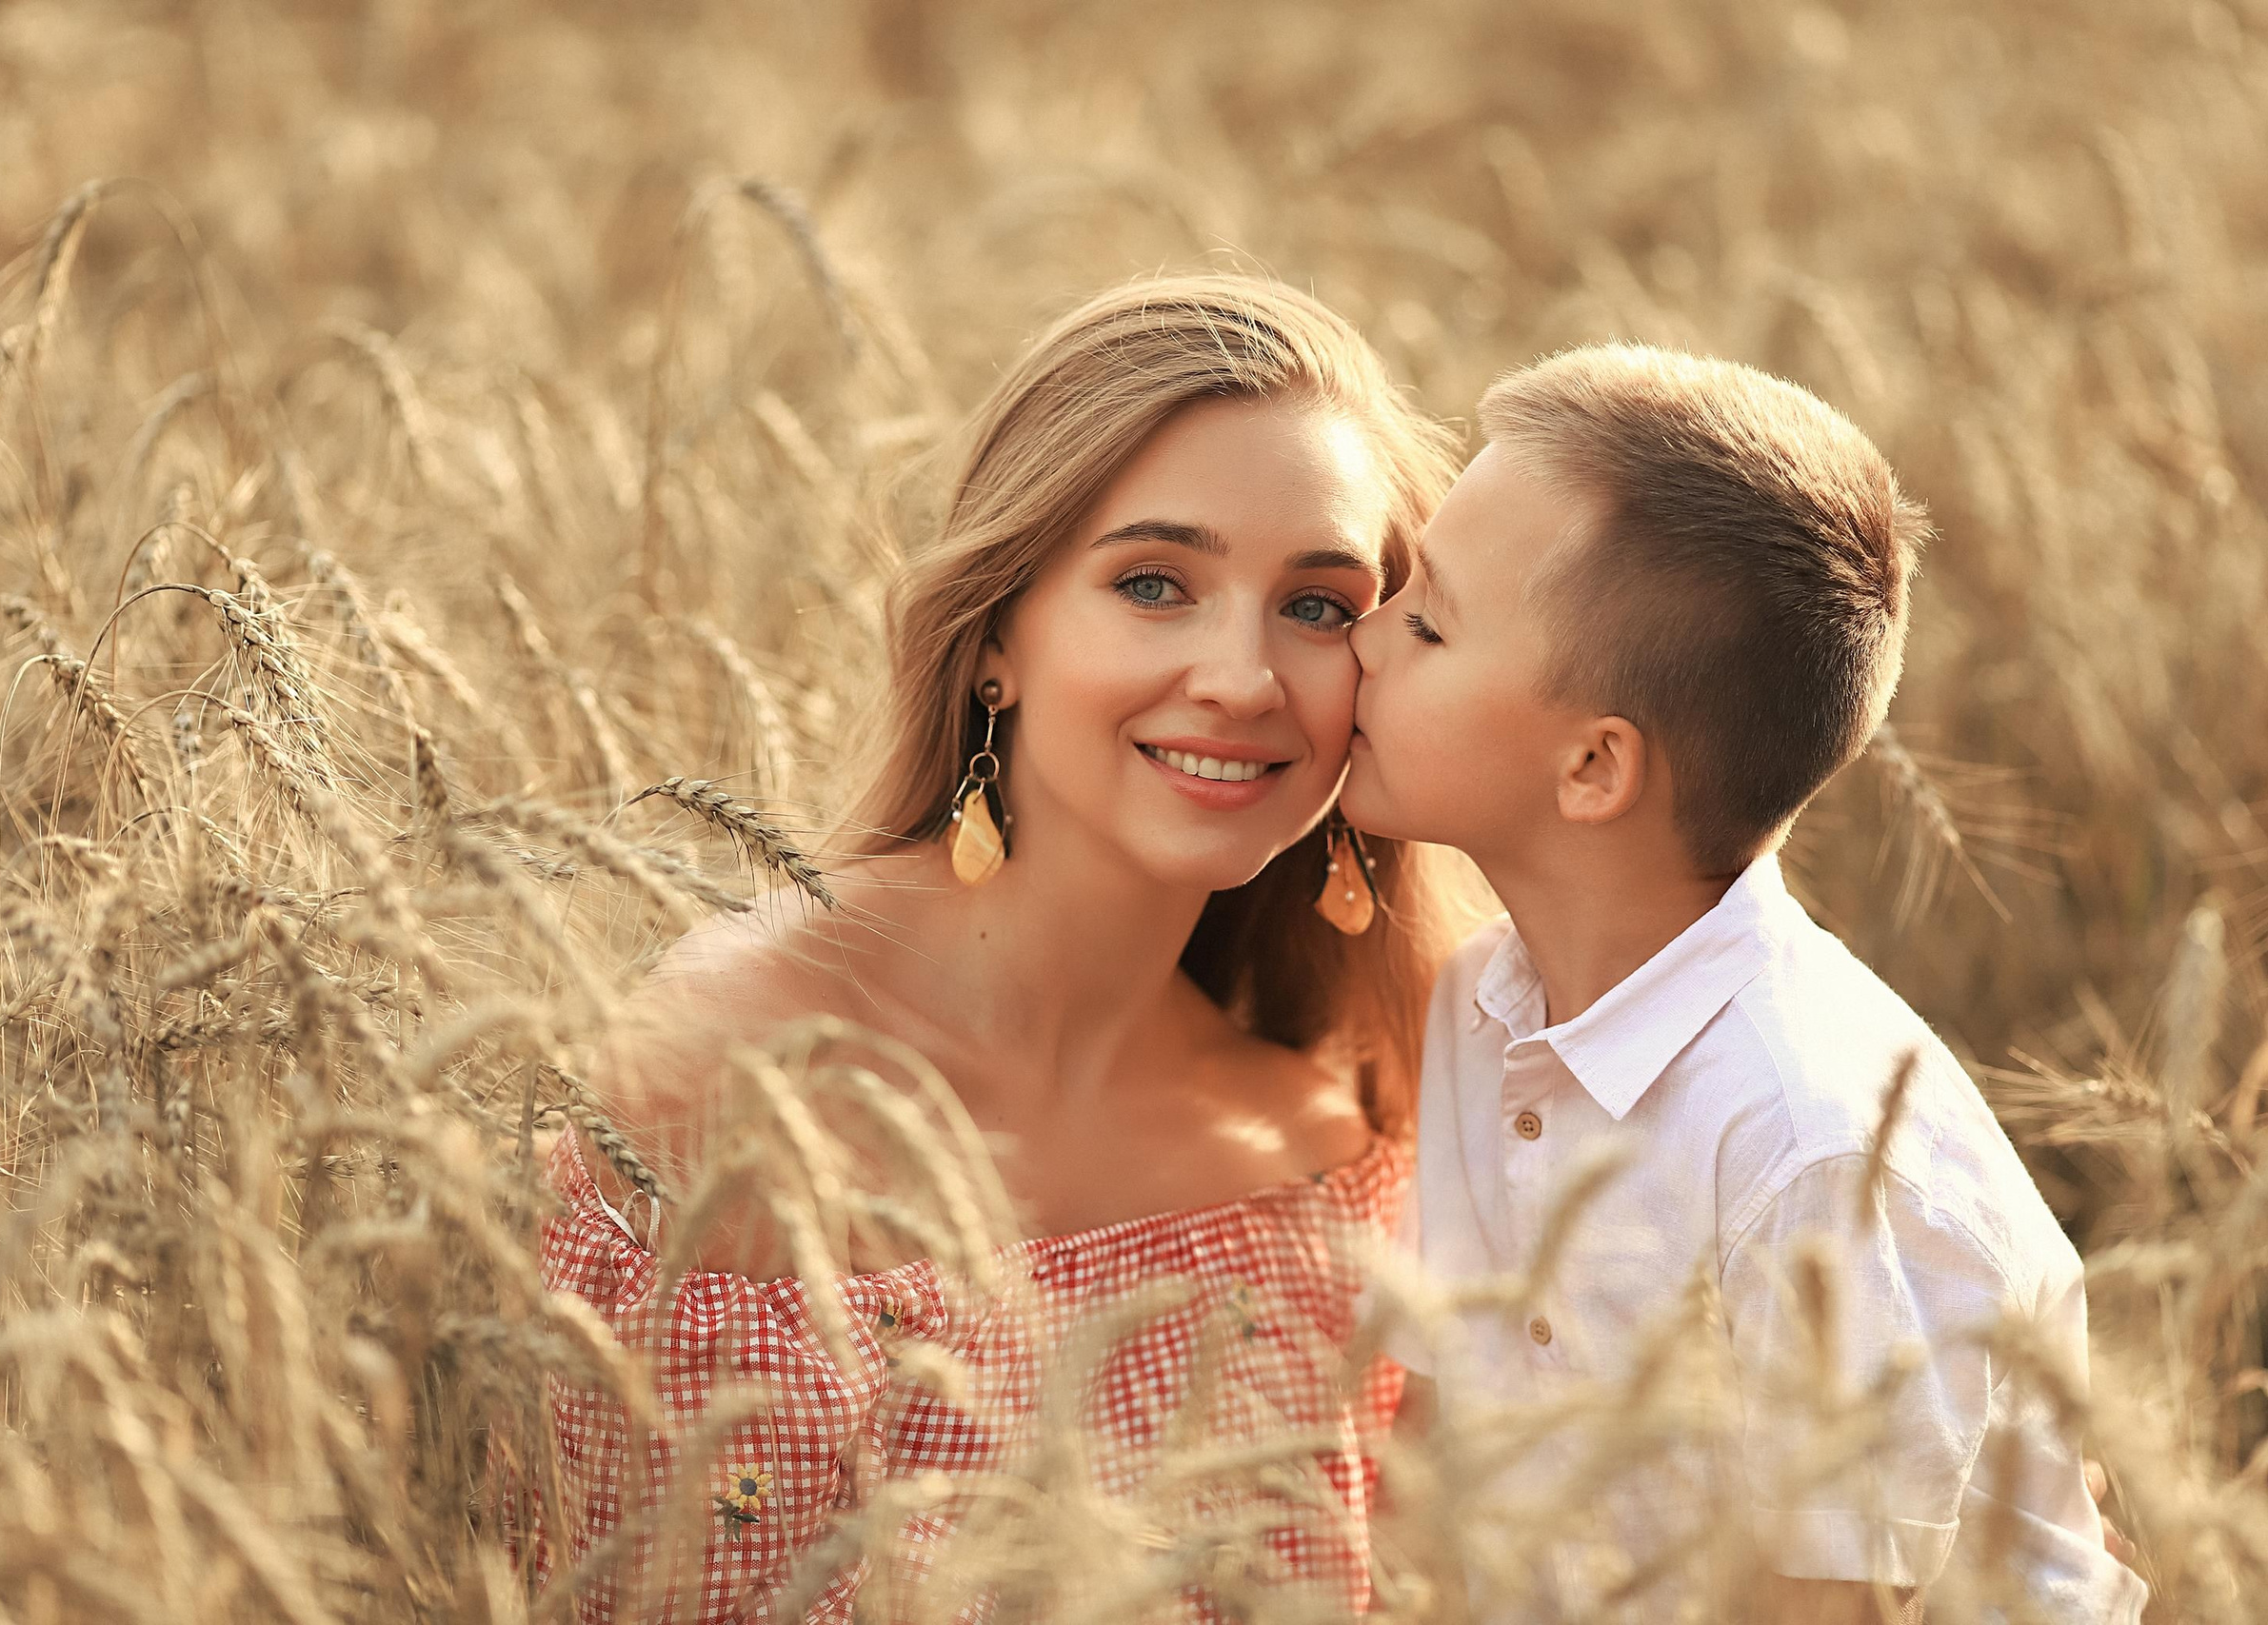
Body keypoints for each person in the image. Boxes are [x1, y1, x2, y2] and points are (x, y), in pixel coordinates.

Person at [525, 275, 1469, 1622]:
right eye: (1156, 584)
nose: (1245, 676)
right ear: (996, 644)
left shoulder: (1324, 1176)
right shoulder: (721, 1075)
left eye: (1317, 606)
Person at [1342, 345, 2150, 1622]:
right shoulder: (1474, 1009)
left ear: (1595, 768)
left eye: (1426, 620)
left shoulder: (1816, 1144)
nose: (1364, 637)